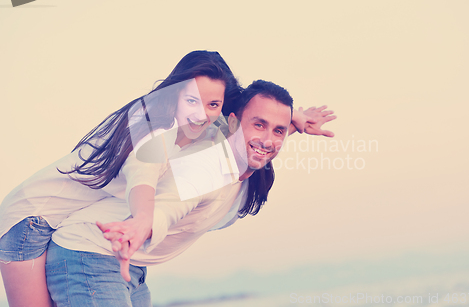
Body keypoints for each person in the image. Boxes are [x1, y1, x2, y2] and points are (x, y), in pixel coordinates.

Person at [44, 80, 336, 306]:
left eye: (279, 131)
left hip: (129, 264)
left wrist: (297, 119)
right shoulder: (206, 170)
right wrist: (139, 226)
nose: (269, 139)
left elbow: (260, 141)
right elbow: (170, 206)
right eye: (259, 124)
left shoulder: (239, 154)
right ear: (232, 122)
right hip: (93, 250)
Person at [0, 50, 243, 307]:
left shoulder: (196, 127)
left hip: (65, 223)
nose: (202, 114)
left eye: (213, 105)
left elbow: (252, 129)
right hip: (30, 217)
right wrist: (142, 219)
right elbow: (143, 179)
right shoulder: (156, 130)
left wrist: (290, 121)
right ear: (175, 96)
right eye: (192, 101)